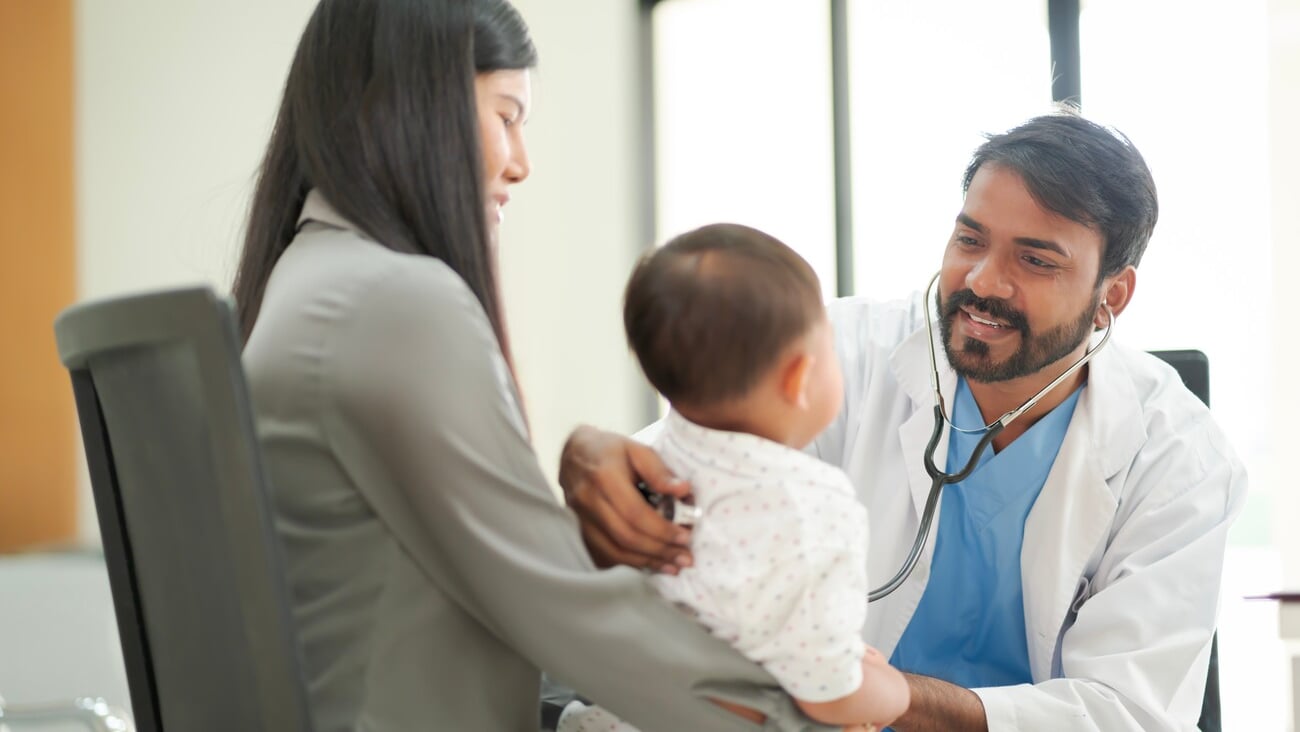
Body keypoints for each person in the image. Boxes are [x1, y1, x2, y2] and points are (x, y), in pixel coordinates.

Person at [233, 1, 842, 730]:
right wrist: (792, 719)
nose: (521, 164)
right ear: (413, 105)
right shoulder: (395, 302)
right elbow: (565, 606)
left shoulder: (311, 277)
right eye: (507, 115)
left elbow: (484, 559)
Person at [559, 110, 1248, 731]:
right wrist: (597, 454)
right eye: (970, 239)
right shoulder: (838, 349)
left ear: (1112, 297)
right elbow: (700, 463)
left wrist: (889, 697)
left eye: (1034, 260)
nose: (982, 281)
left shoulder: (1179, 456)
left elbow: (1125, 712)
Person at [557, 224, 910, 732]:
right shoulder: (814, 505)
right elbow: (828, 694)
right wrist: (891, 691)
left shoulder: (645, 465)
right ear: (797, 377)